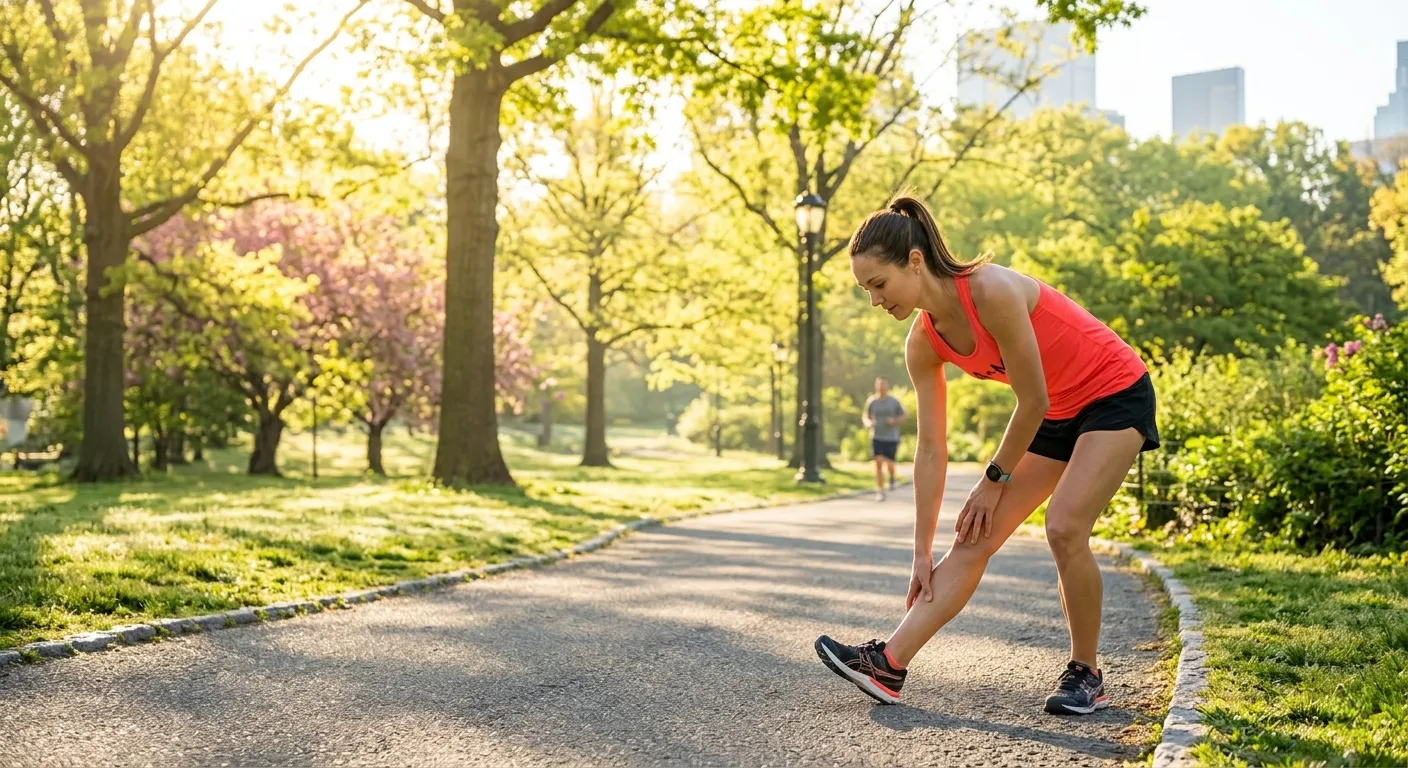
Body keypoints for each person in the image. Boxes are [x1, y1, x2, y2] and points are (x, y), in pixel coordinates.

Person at [814, 195, 1159, 716]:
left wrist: (993, 478)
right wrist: (922, 550)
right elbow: (931, 448)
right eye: (866, 290)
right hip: (1057, 410)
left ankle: (1087, 674)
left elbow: (1032, 399)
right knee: (972, 534)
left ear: (913, 260)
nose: (874, 301)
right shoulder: (923, 342)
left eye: (878, 285)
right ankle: (889, 664)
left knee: (1064, 526)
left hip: (1114, 393)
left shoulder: (990, 290)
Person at [861, 377, 906, 501]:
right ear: (876, 386)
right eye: (879, 384)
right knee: (878, 462)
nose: (881, 387)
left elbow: (904, 415)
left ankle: (892, 477)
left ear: (887, 386)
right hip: (876, 436)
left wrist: (895, 421)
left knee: (890, 464)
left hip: (891, 437)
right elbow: (865, 416)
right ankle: (880, 491)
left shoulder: (894, 401)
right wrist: (868, 423)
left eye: (883, 384)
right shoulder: (872, 401)